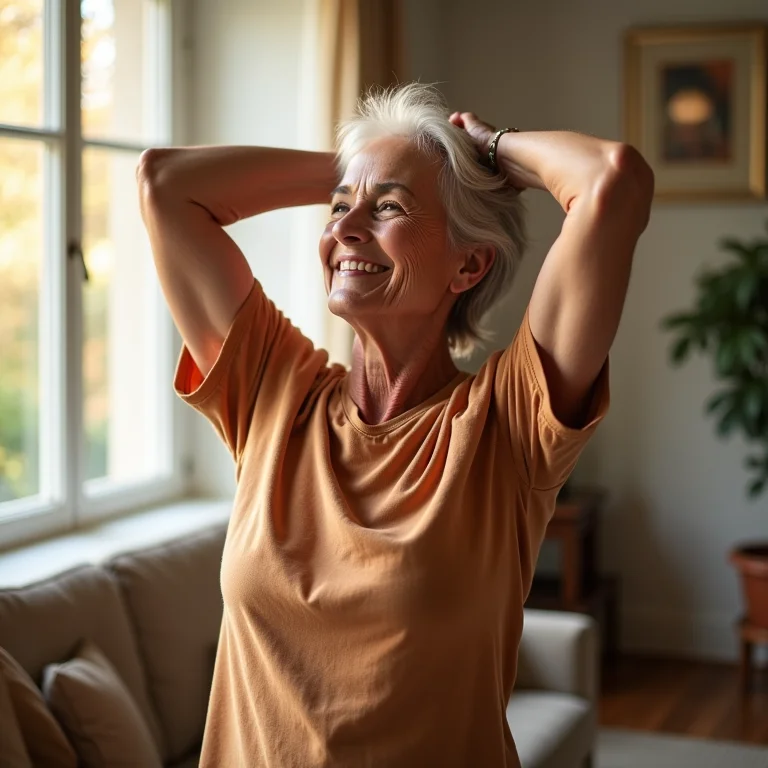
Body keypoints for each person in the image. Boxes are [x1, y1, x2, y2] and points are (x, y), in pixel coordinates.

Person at [137, 83, 653, 767]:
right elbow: (165, 184)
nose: (346, 229)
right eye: (339, 209)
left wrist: (482, 149)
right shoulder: (271, 393)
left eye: (388, 210)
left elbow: (611, 182)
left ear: (468, 265)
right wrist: (369, 164)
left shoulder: (507, 424)